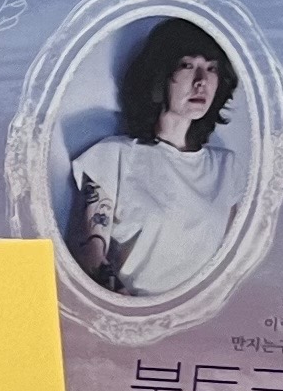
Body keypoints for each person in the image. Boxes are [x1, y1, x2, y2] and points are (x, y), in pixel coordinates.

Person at [66, 16, 247, 299]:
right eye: (188, 65)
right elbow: (90, 256)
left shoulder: (227, 168)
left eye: (211, 68)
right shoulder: (113, 156)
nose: (201, 81)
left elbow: (234, 264)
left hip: (208, 317)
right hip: (132, 313)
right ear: (160, 76)